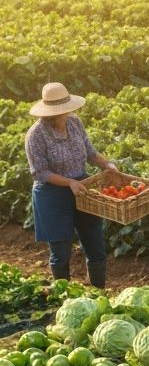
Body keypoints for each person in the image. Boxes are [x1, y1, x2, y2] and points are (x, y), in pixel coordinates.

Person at [24, 82, 118, 288]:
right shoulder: (36, 135)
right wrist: (69, 183)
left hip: (82, 188)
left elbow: (91, 153)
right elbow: (40, 172)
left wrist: (106, 165)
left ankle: (98, 293)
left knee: (95, 245)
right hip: (52, 195)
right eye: (62, 111)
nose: (68, 113)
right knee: (61, 251)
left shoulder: (75, 122)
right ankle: (63, 297)